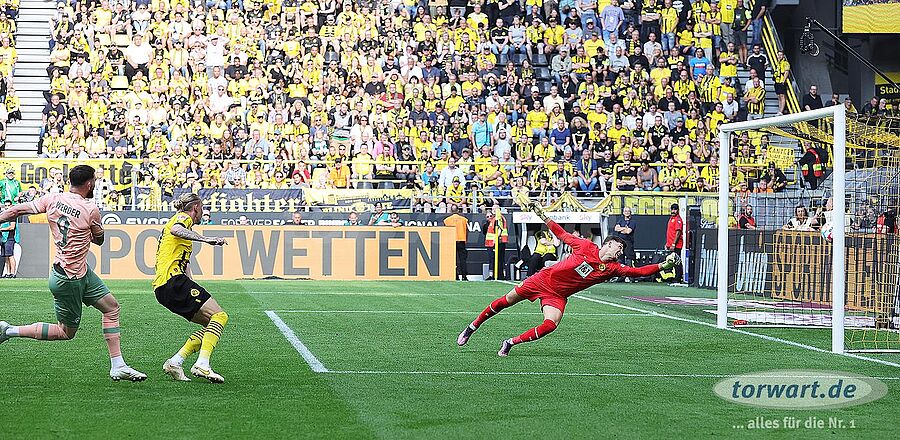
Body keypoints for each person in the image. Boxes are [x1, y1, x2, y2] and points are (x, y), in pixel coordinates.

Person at [457, 198, 679, 356]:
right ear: (608, 244)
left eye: (622, 251)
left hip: (557, 295)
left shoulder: (612, 268)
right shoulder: (585, 246)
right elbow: (561, 233)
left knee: (550, 324)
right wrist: (543, 215)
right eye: (619, 248)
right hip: (541, 281)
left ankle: (510, 343)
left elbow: (638, 272)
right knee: (504, 302)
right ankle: (471, 327)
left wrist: (664, 264)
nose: (620, 252)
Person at [0, 165, 147, 381]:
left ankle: (118, 365)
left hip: (81, 272)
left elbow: (17, 211)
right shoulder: (90, 209)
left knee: (112, 308)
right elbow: (99, 240)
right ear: (89, 184)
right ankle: (8, 331)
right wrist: (94, 230)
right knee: (65, 332)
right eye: (94, 181)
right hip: (69, 278)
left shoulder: (52, 198)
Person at [155, 193, 229, 383]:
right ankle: (202, 364)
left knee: (212, 324)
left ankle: (175, 362)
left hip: (164, 288)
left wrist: (193, 284)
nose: (202, 213)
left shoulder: (179, 229)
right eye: (202, 208)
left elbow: (184, 261)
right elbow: (177, 229)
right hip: (173, 282)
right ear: (196, 207)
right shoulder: (183, 218)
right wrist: (206, 239)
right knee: (220, 316)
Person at [443, 205, 469, 281]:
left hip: (451, 242)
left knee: (453, 260)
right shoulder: (464, 220)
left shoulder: (447, 220)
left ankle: (455, 276)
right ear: (458, 210)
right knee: (463, 260)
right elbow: (467, 230)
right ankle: (464, 276)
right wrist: (465, 240)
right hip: (461, 240)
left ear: (451, 211)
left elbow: (445, 232)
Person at [483, 205, 509, 280]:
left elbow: (500, 229)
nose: (493, 210)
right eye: (492, 208)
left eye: (495, 208)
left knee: (499, 259)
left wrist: (495, 239)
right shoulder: (495, 218)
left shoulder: (499, 217)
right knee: (494, 259)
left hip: (498, 242)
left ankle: (500, 275)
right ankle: (496, 275)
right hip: (493, 242)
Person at [613, 206, 636, 278]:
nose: (627, 212)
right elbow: (616, 229)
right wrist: (624, 229)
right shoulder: (620, 220)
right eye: (625, 211)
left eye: (628, 211)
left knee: (629, 258)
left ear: (630, 212)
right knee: (620, 259)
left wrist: (621, 229)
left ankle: (630, 277)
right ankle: (621, 277)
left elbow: (628, 231)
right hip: (620, 242)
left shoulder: (633, 222)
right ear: (623, 213)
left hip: (628, 242)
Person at [665, 203, 684, 283]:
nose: (673, 211)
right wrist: (667, 243)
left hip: (676, 245)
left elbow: (678, 232)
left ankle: (678, 278)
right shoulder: (671, 218)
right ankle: (676, 277)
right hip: (671, 244)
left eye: (675, 209)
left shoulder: (678, 219)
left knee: (677, 261)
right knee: (673, 261)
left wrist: (673, 244)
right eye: (672, 209)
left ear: (678, 210)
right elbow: (670, 232)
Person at [0, 200, 18, 277]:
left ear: (11, 206)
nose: (7, 207)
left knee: (10, 255)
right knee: (6, 257)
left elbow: (12, 227)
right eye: (6, 206)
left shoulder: (12, 216)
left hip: (9, 238)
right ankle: (8, 273)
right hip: (3, 238)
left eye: (8, 205)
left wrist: (1, 229)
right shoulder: (3, 215)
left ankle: (13, 273)